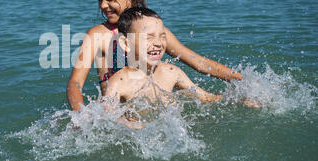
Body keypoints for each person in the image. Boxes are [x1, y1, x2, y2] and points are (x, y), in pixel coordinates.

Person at [67, 0, 242, 111]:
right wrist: (81, 114)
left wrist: (241, 79)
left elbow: (200, 64)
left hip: (156, 110)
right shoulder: (97, 35)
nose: (104, 5)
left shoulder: (156, 33)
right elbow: (75, 84)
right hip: (118, 116)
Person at [104, 7, 258, 129]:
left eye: (162, 36)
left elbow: (205, 97)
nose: (158, 43)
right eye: (149, 37)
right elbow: (107, 117)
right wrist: (130, 124)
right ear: (125, 43)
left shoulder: (170, 73)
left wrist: (237, 99)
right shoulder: (120, 82)